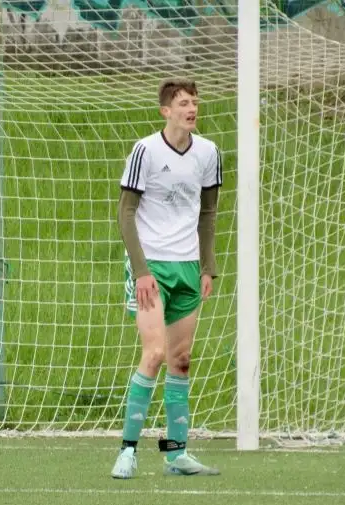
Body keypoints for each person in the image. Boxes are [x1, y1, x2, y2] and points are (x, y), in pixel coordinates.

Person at [112, 78, 222, 478]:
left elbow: (208, 213)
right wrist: (140, 270)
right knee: (155, 354)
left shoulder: (209, 152)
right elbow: (125, 213)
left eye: (194, 102)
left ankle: (177, 454)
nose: (191, 109)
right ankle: (127, 451)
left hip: (188, 267)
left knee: (181, 360)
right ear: (166, 111)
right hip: (152, 265)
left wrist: (208, 266)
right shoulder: (145, 150)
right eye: (183, 103)